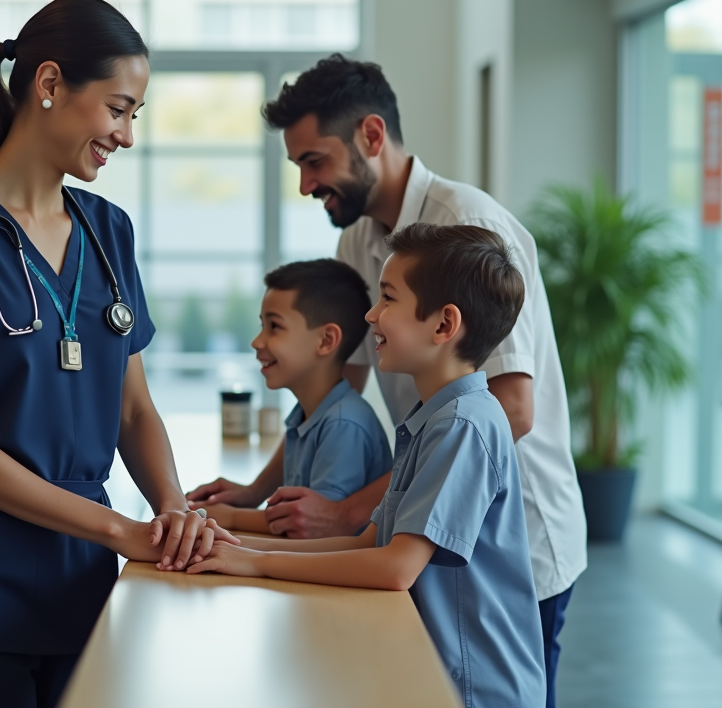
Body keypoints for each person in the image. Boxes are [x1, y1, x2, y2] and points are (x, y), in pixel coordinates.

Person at [188, 54, 586, 708]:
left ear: (371, 137)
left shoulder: (468, 228)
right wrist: (257, 497)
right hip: (419, 507)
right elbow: (331, 389)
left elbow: (513, 407)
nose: (306, 185)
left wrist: (342, 512)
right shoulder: (360, 241)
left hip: (512, 536)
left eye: (314, 162)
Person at [0, 0, 235, 708]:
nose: (126, 135)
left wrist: (173, 514)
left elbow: (133, 410)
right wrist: (119, 528)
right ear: (48, 85)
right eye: (118, 108)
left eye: (135, 116)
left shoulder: (109, 231)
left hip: (79, 583)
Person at [189, 223, 546, 708]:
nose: (371, 314)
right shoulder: (433, 418)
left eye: (388, 299)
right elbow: (366, 543)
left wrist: (255, 563)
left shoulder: (464, 424)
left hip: (472, 688)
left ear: (443, 325)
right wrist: (232, 544)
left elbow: (396, 568)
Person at [198, 260, 391, 534]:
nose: (257, 341)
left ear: (326, 340)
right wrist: (245, 499)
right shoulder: (308, 413)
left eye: (274, 326)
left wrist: (227, 517)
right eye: (262, 325)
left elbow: (311, 530)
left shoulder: (343, 424)